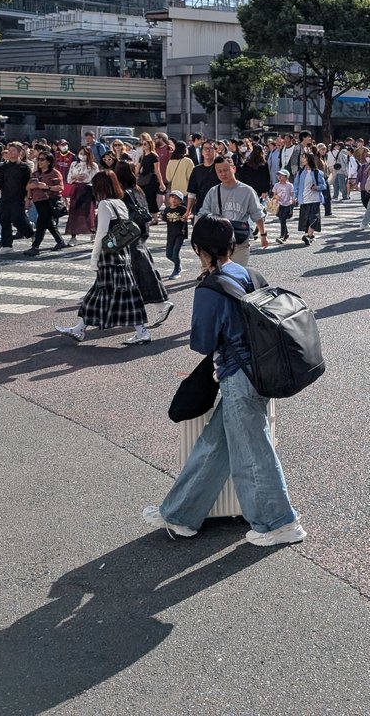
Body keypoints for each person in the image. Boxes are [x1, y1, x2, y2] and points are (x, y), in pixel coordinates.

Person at [142, 215, 304, 548]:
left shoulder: (210, 286)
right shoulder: (247, 273)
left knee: (253, 452)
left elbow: (201, 342)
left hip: (237, 378)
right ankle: (180, 515)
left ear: (198, 249)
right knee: (215, 445)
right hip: (259, 372)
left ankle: (280, 523)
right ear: (232, 245)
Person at [56, 171, 151, 345]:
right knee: (107, 293)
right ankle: (79, 328)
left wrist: (94, 259)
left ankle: (142, 331)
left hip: (109, 257)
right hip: (122, 254)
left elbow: (102, 234)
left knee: (113, 293)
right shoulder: (119, 203)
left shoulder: (106, 205)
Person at [199, 155, 263, 265]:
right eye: (219, 171)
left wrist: (263, 234)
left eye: (226, 170)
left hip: (239, 240)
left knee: (237, 274)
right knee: (222, 276)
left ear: (233, 168)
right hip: (219, 241)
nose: (223, 174)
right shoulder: (213, 192)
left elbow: (256, 214)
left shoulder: (247, 191)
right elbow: (204, 214)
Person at [23, 152, 69, 255]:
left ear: (49, 161)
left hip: (49, 200)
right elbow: (27, 187)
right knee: (48, 223)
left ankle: (35, 246)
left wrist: (47, 187)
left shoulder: (54, 173)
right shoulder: (35, 174)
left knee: (41, 223)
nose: (40, 161)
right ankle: (60, 241)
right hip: (37, 201)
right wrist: (30, 192)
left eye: (42, 159)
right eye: (39, 159)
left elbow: (60, 188)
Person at [162, 189, 189, 279]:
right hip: (170, 234)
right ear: (169, 199)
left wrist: (185, 218)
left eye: (177, 198)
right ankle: (178, 264)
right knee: (168, 255)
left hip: (180, 234)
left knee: (175, 253)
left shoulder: (182, 209)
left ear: (181, 201)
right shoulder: (167, 209)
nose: (174, 199)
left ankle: (176, 270)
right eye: (172, 197)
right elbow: (164, 218)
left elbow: (190, 214)